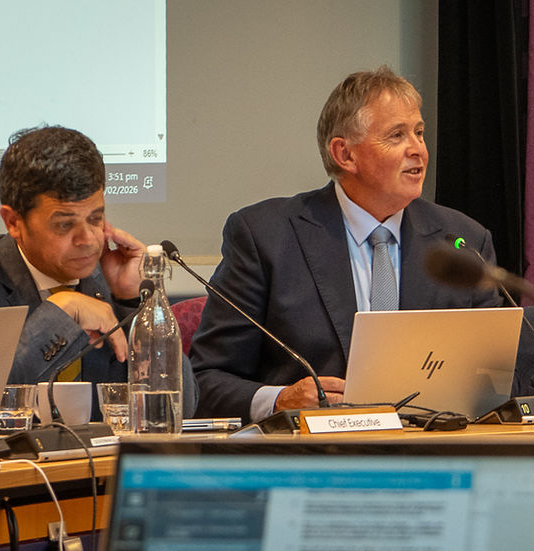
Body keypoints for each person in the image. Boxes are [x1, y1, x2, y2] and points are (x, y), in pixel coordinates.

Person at [191, 67, 503, 422]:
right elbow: (206, 380)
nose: (418, 149)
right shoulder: (266, 237)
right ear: (344, 154)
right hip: (314, 450)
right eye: (397, 135)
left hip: (435, 446)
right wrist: (280, 401)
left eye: (419, 133)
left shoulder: (464, 240)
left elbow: (499, 377)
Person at [0, 126, 198, 417]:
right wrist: (61, 311)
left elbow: (178, 411)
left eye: (95, 218)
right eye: (64, 225)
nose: (87, 239)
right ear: (13, 222)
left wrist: (137, 302)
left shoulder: (110, 282)